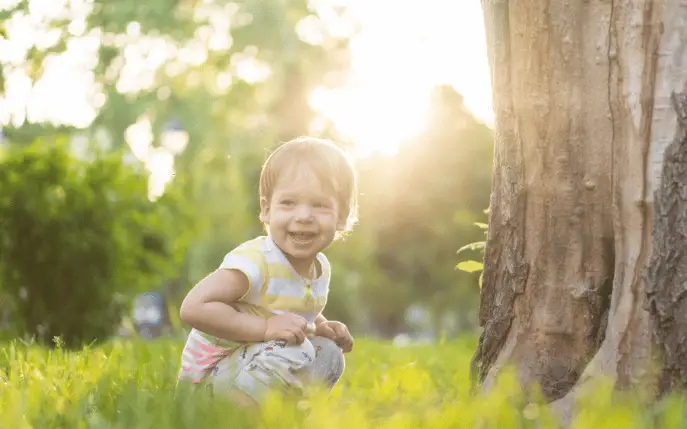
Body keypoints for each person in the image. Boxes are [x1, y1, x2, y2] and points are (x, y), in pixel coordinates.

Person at [177, 137, 357, 408]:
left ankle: (282, 417)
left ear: (341, 216)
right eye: (289, 203)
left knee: (329, 353)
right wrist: (264, 328)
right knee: (294, 347)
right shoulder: (255, 261)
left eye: (319, 205)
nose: (304, 215)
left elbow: (287, 303)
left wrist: (320, 326)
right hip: (207, 382)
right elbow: (193, 307)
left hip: (250, 365)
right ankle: (237, 419)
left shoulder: (320, 267)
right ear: (266, 209)